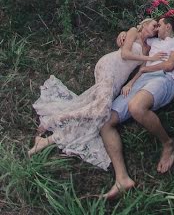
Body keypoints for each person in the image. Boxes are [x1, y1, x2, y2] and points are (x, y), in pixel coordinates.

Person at [28, 18, 166, 169]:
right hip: (109, 66)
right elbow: (125, 54)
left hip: (119, 79)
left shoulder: (147, 48)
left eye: (158, 27)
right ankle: (54, 119)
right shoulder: (133, 31)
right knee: (100, 110)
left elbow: (142, 70)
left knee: (98, 115)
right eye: (154, 25)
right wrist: (148, 57)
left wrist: (130, 83)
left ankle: (47, 141)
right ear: (145, 24)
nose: (156, 28)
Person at [100, 16, 174, 199]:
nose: (157, 29)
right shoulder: (152, 41)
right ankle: (122, 178)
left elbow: (170, 65)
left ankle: (167, 143)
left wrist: (145, 69)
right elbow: (136, 36)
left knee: (136, 107)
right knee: (105, 122)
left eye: (160, 25)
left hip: (163, 79)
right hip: (142, 81)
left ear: (168, 27)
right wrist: (123, 34)